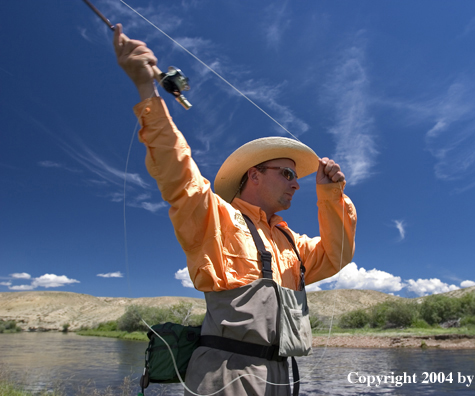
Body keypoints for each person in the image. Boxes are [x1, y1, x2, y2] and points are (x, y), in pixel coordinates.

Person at [113, 24, 356, 396]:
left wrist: (332, 194)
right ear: (254, 175)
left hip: (286, 377)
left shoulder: (291, 242)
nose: (296, 183)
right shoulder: (214, 218)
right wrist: (147, 91)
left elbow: (337, 255)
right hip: (227, 377)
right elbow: (179, 175)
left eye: (298, 178)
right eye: (288, 173)